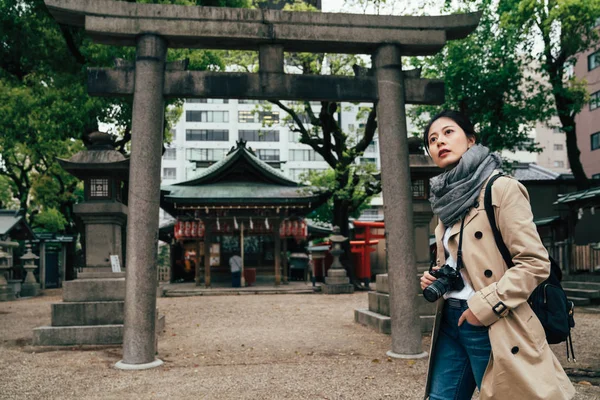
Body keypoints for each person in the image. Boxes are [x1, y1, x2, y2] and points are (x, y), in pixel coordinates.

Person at [421, 110, 575, 400]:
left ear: (470, 140)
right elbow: (458, 264)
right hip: (450, 319)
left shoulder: (500, 188)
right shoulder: (445, 203)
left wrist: (485, 307)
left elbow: (534, 263)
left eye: (448, 132)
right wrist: (435, 276)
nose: (440, 141)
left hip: (493, 318)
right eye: (432, 139)